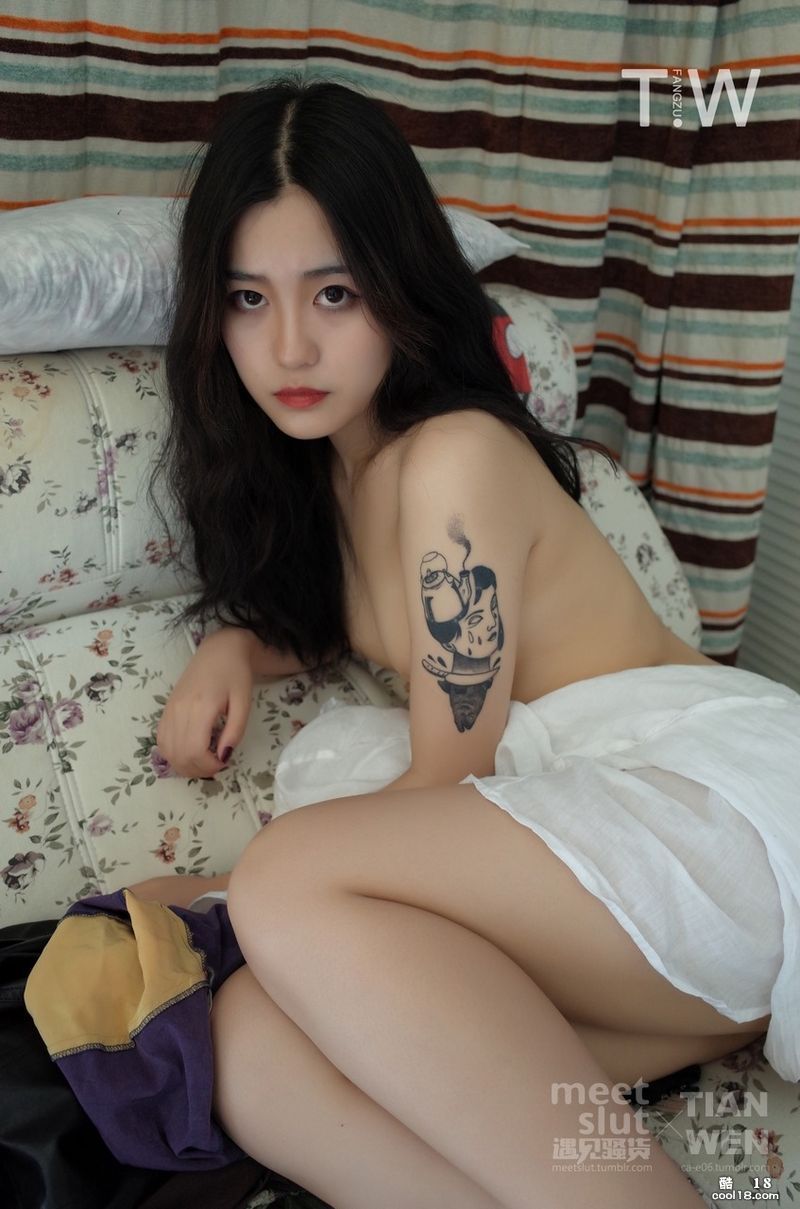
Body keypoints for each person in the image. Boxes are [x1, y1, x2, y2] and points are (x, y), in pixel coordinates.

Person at [139, 76, 800, 1209]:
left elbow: (453, 772)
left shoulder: (452, 456)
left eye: (334, 293)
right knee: (248, 1043)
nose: (288, 344)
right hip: (602, 893)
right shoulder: (326, 478)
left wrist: (219, 889)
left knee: (287, 879)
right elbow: (347, 617)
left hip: (711, 817)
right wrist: (237, 649)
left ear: (400, 288)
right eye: (248, 298)